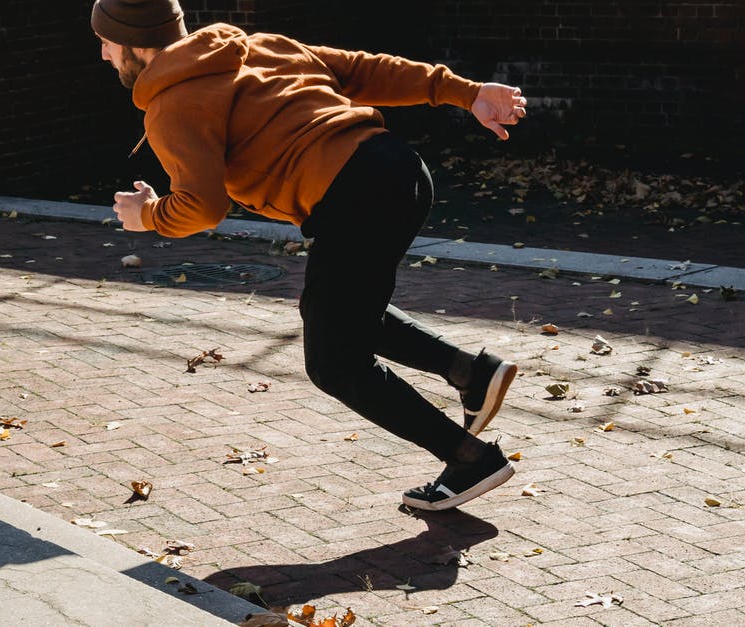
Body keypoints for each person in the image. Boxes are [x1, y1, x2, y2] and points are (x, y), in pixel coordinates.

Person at [92, 0, 525, 511]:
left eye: (107, 43)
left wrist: (149, 215)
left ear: (136, 43)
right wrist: (466, 92)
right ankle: (469, 372)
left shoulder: (173, 105)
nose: (103, 55)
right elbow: (363, 70)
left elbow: (204, 206)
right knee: (336, 313)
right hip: (399, 169)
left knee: (335, 363)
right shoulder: (255, 46)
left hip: (354, 196)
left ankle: (470, 458)